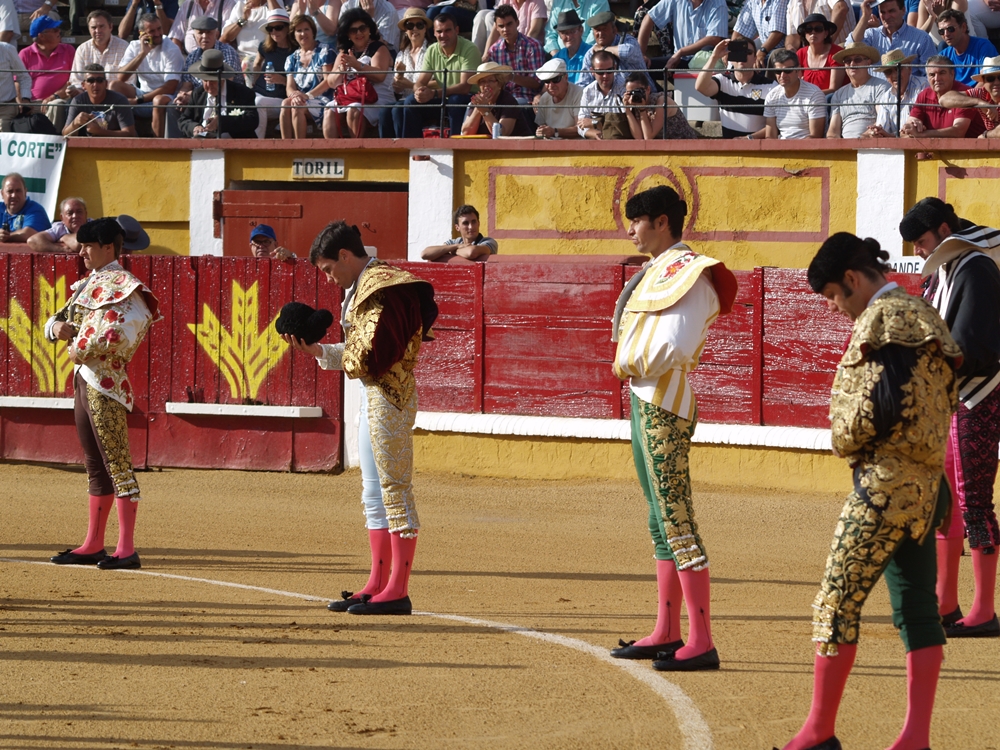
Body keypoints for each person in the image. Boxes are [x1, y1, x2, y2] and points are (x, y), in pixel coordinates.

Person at [779, 232, 959, 750]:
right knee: (919, 609)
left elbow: (883, 405)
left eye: (835, 296)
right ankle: (915, 737)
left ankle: (818, 733)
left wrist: (845, 435)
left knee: (835, 603)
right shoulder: (923, 313)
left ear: (854, 280)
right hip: (927, 486)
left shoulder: (882, 322)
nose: (836, 307)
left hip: (883, 487)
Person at [608, 185, 737, 672]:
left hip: (665, 400)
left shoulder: (694, 274)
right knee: (659, 518)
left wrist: (625, 364)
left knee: (677, 517)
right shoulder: (654, 273)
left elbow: (677, 346)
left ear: (661, 221)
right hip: (646, 399)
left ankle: (701, 639)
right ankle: (667, 629)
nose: (630, 230)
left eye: (636, 221)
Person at [283, 220, 438, 616]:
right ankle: (377, 581)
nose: (330, 278)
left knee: (394, 490)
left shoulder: (384, 287)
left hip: (390, 398)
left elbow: (369, 356)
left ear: (346, 256)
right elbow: (359, 352)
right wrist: (317, 351)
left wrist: (338, 355)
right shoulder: (366, 287)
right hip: (373, 395)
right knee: (373, 493)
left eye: (330, 270)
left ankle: (398, 589)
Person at [899, 197, 1000, 639]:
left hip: (978, 396)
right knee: (948, 502)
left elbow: (973, 344)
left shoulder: (975, 267)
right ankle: (947, 600)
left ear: (943, 230)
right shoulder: (948, 268)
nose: (919, 251)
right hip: (950, 397)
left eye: (922, 241)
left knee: (973, 499)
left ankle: (983, 609)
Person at [44, 218, 159, 572]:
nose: (82, 253)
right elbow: (54, 320)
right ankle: (94, 543)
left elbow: (131, 328)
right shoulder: (85, 285)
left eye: (88, 246)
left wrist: (81, 344)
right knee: (96, 465)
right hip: (84, 378)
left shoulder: (127, 286)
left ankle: (126, 548)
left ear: (109, 247)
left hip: (106, 382)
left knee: (117, 463)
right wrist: (55, 328)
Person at [393, 12, 478, 138]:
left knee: (455, 101)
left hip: (469, 99)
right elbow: (420, 82)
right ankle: (412, 150)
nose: (443, 35)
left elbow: (464, 88)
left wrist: (433, 93)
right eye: (439, 31)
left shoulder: (469, 48)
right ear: (434, 32)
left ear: (457, 30)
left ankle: (456, 147)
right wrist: (420, 92)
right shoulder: (432, 50)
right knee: (411, 101)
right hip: (444, 98)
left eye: (447, 30)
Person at [112, 13, 186, 137]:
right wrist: (142, 53)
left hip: (166, 96)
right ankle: (120, 134)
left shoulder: (171, 49)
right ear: (142, 34)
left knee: (158, 100)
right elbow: (121, 77)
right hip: (143, 93)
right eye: (152, 31)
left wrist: (138, 100)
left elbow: (171, 86)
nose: (157, 34)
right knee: (114, 86)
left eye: (159, 29)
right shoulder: (134, 46)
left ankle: (157, 145)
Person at [324, 8, 394, 138]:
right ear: (347, 34)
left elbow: (380, 76)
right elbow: (332, 83)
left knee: (354, 108)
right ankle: (332, 151)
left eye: (363, 28)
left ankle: (354, 151)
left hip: (378, 98)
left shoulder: (379, 48)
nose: (359, 33)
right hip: (351, 97)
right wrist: (341, 69)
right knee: (329, 108)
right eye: (353, 30)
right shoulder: (344, 53)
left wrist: (357, 65)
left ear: (369, 29)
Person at [695, 38, 777, 139]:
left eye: (748, 52)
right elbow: (700, 87)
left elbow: (777, 125)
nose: (743, 56)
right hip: (729, 150)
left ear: (755, 58)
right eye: (738, 52)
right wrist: (714, 56)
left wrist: (749, 138)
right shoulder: (723, 81)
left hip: (757, 149)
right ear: (730, 57)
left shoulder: (771, 86)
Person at [175, 48, 260, 137]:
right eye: (205, 80)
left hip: (233, 144)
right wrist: (195, 127)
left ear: (222, 78)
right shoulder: (198, 94)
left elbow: (252, 120)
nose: (208, 85)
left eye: (213, 81)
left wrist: (221, 122)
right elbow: (183, 120)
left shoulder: (242, 92)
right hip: (202, 144)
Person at [901, 54, 986, 136]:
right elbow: (908, 128)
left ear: (952, 74)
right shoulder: (924, 95)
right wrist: (913, 125)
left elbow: (958, 132)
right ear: (927, 77)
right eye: (932, 75)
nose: (937, 79)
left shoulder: (965, 93)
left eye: (942, 73)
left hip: (971, 149)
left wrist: (922, 134)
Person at [279, 14, 334, 139]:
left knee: (296, 106)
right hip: (302, 100)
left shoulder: (325, 51)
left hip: (323, 98)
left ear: (313, 31)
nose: (303, 33)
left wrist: (307, 96)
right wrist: (295, 95)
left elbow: (328, 81)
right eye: (299, 30)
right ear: (294, 34)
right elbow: (290, 87)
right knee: (285, 103)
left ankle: (299, 148)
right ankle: (285, 147)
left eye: (306, 29)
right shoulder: (291, 58)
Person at [636, 0, 728, 71]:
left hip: (704, 61)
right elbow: (649, 18)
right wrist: (641, 54)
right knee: (641, 67)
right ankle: (662, 95)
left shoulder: (718, 3)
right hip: (679, 60)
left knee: (707, 49)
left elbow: (714, 39)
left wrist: (681, 52)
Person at [380, 6, 430, 136]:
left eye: (419, 25)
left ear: (425, 28)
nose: (414, 29)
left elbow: (438, 82)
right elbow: (397, 90)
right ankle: (386, 152)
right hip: (405, 100)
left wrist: (409, 84)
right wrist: (398, 80)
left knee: (398, 109)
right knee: (384, 111)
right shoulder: (401, 55)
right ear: (405, 30)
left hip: (426, 99)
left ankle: (403, 149)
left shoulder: (432, 51)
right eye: (410, 25)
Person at [19, 16, 76, 129]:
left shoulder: (68, 50)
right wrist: (23, 102)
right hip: (32, 103)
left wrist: (53, 97)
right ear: (42, 36)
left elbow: (73, 80)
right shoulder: (25, 54)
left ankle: (53, 141)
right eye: (54, 30)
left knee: (57, 105)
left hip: (59, 99)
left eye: (58, 29)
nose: (58, 31)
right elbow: (17, 81)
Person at [852, 0, 937, 76]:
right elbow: (851, 47)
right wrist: (865, 16)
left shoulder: (921, 38)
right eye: (882, 12)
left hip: (909, 91)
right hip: (875, 92)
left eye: (891, 11)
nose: (887, 16)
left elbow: (929, 75)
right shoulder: (871, 34)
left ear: (903, 10)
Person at [485, 4, 544, 104]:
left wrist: (511, 77)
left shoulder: (533, 46)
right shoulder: (494, 50)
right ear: (496, 28)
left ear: (517, 23)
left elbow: (537, 83)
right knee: (473, 105)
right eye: (501, 26)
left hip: (526, 99)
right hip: (500, 98)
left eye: (509, 24)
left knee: (513, 105)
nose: (505, 29)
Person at [827, 41, 889, 137]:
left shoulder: (881, 87)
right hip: (845, 148)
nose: (852, 64)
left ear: (868, 63)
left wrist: (861, 139)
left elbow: (881, 122)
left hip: (872, 144)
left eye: (857, 59)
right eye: (847, 61)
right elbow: (833, 131)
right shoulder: (839, 94)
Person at [251, 8, 296, 138]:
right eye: (270, 29)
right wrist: (255, 78)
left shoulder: (295, 51)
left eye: (279, 27)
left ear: (287, 29)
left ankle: (256, 144)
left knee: (258, 103)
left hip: (281, 99)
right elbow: (257, 63)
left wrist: (282, 80)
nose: (274, 32)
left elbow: (302, 82)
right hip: (259, 92)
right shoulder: (265, 46)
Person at [764, 48, 827, 138]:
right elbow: (770, 137)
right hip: (781, 149)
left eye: (788, 70)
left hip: (806, 150)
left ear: (798, 69)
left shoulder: (814, 94)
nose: (782, 75)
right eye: (778, 71)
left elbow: (815, 137)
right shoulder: (772, 96)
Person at [579, 11, 651, 87]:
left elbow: (628, 52)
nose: (600, 33)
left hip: (642, 93)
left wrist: (604, 49)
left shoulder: (628, 41)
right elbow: (584, 83)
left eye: (604, 29)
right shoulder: (590, 54)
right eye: (597, 30)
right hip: (608, 97)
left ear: (614, 30)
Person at [63, 64, 138, 137]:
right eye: (91, 80)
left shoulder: (120, 100)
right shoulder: (78, 101)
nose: (95, 84)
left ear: (106, 84)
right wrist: (75, 123)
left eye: (99, 80)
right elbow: (64, 134)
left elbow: (130, 134)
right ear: (83, 85)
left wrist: (100, 131)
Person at [863, 47, 924, 136]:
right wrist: (877, 131)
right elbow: (882, 129)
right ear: (885, 76)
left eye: (898, 69)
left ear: (909, 69)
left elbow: (918, 130)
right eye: (888, 71)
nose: (895, 75)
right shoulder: (886, 97)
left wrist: (886, 134)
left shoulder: (922, 86)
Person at [461, 61, 532, 135]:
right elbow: (466, 132)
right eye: (482, 81)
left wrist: (485, 111)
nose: (486, 85)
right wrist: (478, 108)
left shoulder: (508, 101)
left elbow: (501, 134)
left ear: (500, 84)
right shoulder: (477, 101)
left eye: (491, 80)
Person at [622, 70, 699, 139]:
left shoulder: (662, 101)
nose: (635, 95)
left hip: (684, 144)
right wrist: (627, 110)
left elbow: (648, 136)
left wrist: (642, 110)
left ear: (648, 89)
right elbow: (639, 137)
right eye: (631, 92)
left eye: (638, 91)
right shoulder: (636, 104)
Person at [938, 54, 1000, 137]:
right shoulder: (981, 93)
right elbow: (944, 99)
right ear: (983, 82)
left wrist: (986, 135)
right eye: (990, 79)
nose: (996, 82)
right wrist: (980, 103)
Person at [69, 11, 131, 93]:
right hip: (88, 98)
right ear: (89, 29)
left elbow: (129, 83)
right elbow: (77, 81)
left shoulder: (124, 47)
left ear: (110, 27)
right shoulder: (82, 49)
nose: (98, 31)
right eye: (93, 27)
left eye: (101, 26)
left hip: (117, 98)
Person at [938, 8, 998, 85]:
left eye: (950, 29)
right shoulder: (944, 55)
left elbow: (989, 78)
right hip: (955, 95)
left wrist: (966, 95)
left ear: (963, 27)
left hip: (978, 95)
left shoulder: (983, 46)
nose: (946, 34)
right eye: (941, 31)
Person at [577, 48, 625, 139]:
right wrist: (593, 133)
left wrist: (594, 123)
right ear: (592, 71)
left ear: (615, 68)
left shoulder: (624, 87)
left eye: (609, 70)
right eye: (600, 72)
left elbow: (627, 123)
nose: (605, 75)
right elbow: (580, 125)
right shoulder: (587, 91)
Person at [421, 204, 497, 260]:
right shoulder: (455, 242)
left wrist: (453, 250)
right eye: (465, 223)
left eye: (474, 222)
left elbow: (471, 252)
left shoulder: (489, 241)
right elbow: (425, 254)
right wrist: (456, 246)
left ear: (479, 223)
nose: (471, 227)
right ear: (457, 227)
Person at [796, 13, 846, 96]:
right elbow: (797, 84)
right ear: (805, 34)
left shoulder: (837, 53)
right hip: (806, 100)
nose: (813, 32)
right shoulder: (800, 53)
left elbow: (834, 89)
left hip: (830, 100)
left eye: (818, 29)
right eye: (808, 29)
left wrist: (811, 95)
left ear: (826, 33)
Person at [533, 57, 583, 138]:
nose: (551, 85)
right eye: (547, 81)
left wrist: (555, 131)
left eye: (556, 79)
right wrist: (542, 131)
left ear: (566, 78)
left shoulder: (579, 94)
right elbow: (542, 128)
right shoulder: (544, 98)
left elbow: (581, 129)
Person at [732, 0, 789, 70]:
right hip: (764, 49)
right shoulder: (752, 2)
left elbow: (778, 33)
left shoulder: (780, 1)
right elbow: (740, 32)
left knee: (759, 65)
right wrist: (732, 52)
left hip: (781, 49)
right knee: (734, 61)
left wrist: (762, 52)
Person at [221, 0, 276, 72]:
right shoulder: (240, 5)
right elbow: (226, 36)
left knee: (248, 63)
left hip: (264, 58)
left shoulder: (271, 5)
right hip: (241, 58)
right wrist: (243, 19)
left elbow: (278, 22)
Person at [169, 0, 238, 55]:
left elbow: (227, 37)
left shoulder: (228, 4)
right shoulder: (187, 5)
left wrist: (210, 57)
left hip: (218, 61)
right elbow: (176, 38)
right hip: (189, 60)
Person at [0, 173, 51, 243]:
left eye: (18, 191)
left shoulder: (36, 210)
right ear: (2, 194)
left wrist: (5, 237)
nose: (14, 195)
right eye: (10, 191)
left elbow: (28, 233)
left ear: (25, 192)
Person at [785, 0, 856, 47]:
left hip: (842, 51)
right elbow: (793, 35)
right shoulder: (792, 2)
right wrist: (791, 50)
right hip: (811, 55)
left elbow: (841, 8)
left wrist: (827, 44)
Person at [550, 10, 591, 84]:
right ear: (559, 35)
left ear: (581, 30)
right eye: (564, 33)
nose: (569, 37)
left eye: (572, 31)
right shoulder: (557, 57)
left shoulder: (591, 54)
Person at [0, 40, 30, 131]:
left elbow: (24, 77)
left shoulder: (7, 49)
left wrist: (25, 98)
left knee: (3, 134)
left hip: (5, 108)